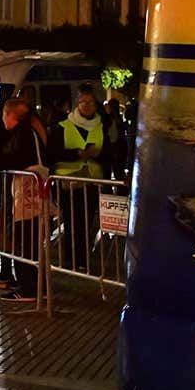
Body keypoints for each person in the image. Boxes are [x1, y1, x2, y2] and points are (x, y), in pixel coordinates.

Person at [0, 99, 47, 302]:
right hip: (25, 192)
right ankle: (32, 285)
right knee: (26, 240)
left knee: (25, 240)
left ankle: (30, 288)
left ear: (10, 115)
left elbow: (15, 159)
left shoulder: (23, 134)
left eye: (4, 115)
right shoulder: (25, 132)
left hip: (27, 193)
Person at [51, 88, 111, 270]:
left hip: (92, 181)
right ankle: (72, 260)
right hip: (69, 181)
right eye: (83, 102)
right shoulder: (63, 125)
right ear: (76, 105)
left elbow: (110, 153)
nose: (87, 106)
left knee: (87, 221)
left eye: (90, 102)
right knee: (71, 222)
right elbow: (53, 152)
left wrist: (98, 155)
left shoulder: (101, 126)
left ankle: (83, 259)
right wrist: (77, 154)